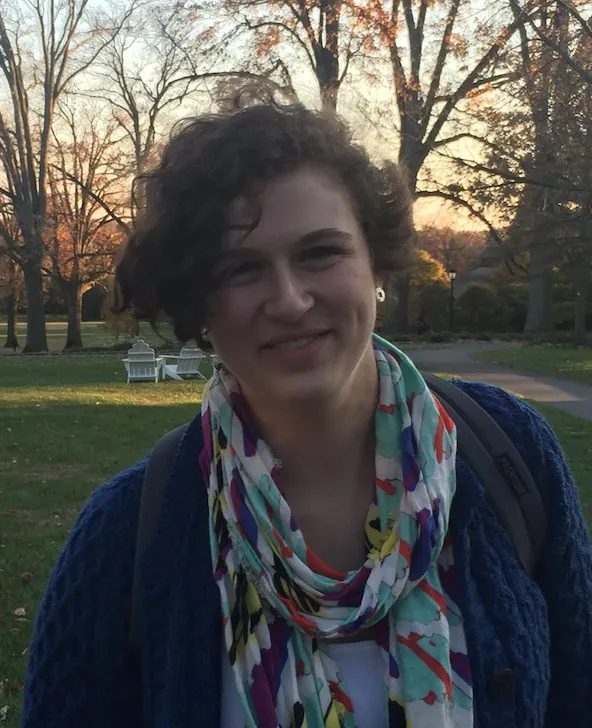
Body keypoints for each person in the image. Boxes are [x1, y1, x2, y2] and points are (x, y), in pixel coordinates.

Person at [21, 96, 592, 728]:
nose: (290, 300)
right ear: (198, 303)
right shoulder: (126, 535)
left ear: (375, 261)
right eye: (241, 268)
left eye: (320, 253)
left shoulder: (510, 458)